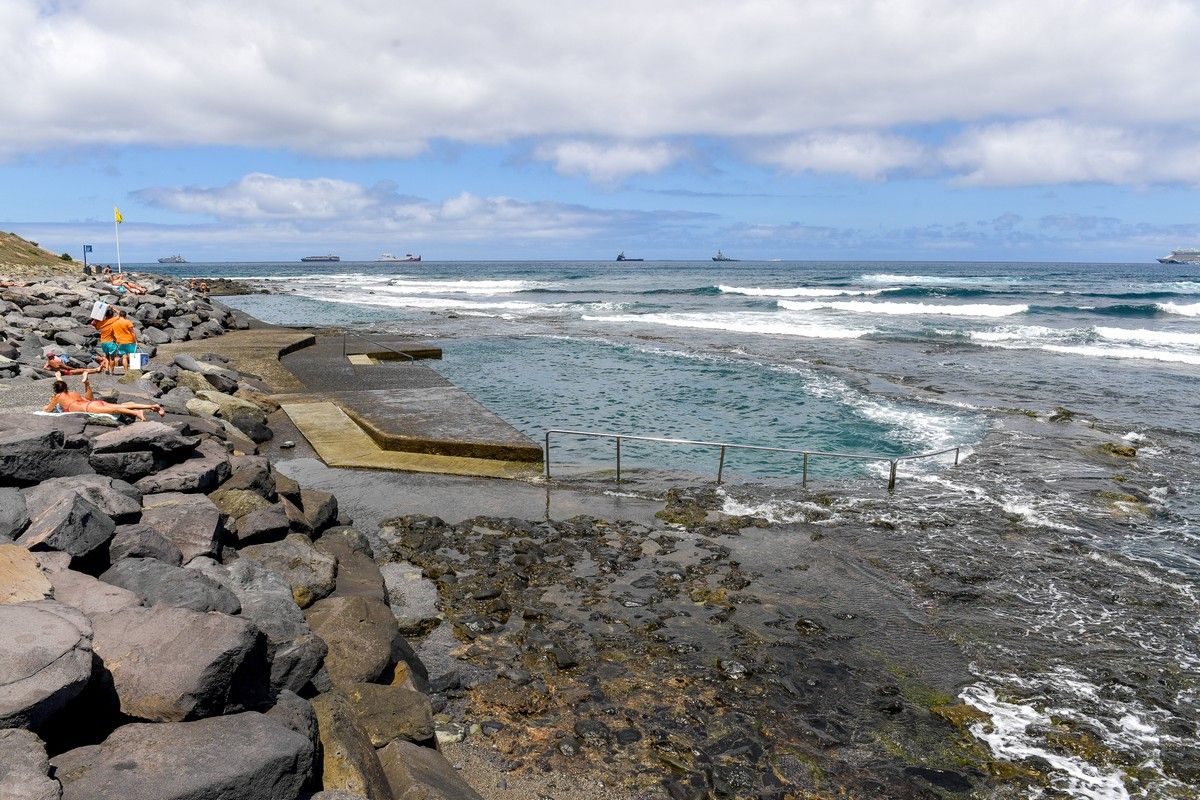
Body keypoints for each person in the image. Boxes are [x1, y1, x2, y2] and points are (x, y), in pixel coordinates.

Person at [43, 371, 164, 421]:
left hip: (89, 408)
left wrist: (46, 406)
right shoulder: (73, 393)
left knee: (117, 409)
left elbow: (48, 410)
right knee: (121, 406)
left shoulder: (57, 397)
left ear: (56, 390)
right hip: (93, 403)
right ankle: (152, 406)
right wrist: (58, 377)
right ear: (65, 387)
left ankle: (137, 413)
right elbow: (89, 399)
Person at [91, 307, 119, 375]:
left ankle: (106, 368)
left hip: (103, 342)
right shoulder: (113, 320)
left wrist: (97, 317)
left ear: (105, 315)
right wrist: (112, 307)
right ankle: (112, 372)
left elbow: (94, 325)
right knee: (112, 358)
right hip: (111, 342)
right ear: (112, 315)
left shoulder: (101, 323)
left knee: (106, 356)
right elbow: (120, 313)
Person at [111, 309, 139, 373]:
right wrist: (136, 341)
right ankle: (135, 371)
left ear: (119, 315)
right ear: (125, 316)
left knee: (124, 357)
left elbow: (113, 334)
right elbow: (132, 332)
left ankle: (126, 371)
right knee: (133, 355)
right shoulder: (128, 322)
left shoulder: (114, 324)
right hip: (130, 341)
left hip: (120, 342)